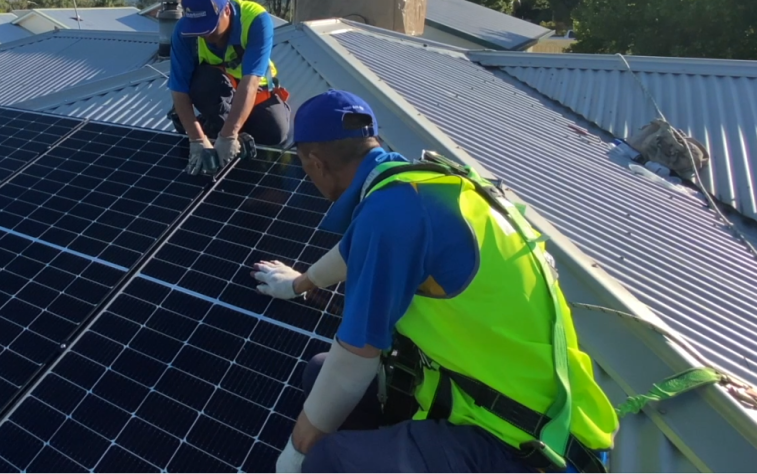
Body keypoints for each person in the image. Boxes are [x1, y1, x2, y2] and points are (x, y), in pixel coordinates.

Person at [251, 89, 618, 473]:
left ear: (315, 163)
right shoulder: (423, 187)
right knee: (319, 373)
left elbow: (354, 361)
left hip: (527, 444)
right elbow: (357, 250)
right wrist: (297, 284)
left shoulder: (392, 215)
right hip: (506, 399)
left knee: (327, 459)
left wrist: (294, 453)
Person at [168, 0, 290, 175]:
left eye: (210, 27)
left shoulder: (255, 20)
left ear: (226, 10)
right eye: (199, 29)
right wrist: (196, 139)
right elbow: (178, 89)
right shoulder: (184, 31)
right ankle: (214, 128)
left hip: (254, 89)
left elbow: (250, 83)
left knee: (275, 132)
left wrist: (229, 135)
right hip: (216, 91)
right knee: (202, 84)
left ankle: (224, 130)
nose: (206, 35)